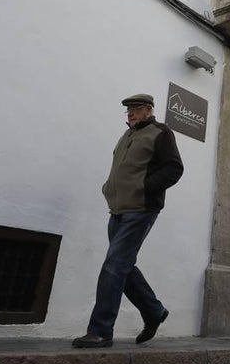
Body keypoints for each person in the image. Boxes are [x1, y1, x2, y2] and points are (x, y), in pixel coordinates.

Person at [72, 93, 183, 348]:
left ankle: (100, 331)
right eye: (128, 110)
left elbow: (174, 168)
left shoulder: (161, 132)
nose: (130, 113)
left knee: (113, 265)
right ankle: (154, 311)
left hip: (141, 209)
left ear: (148, 110)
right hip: (118, 209)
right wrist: (108, 188)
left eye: (135, 109)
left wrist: (144, 188)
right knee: (123, 265)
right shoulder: (127, 135)